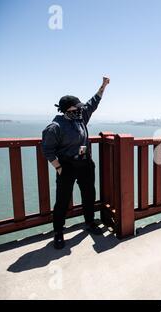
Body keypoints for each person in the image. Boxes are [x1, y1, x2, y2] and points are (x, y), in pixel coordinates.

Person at [42, 77, 110, 249]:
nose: (79, 111)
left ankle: (89, 222)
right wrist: (58, 167)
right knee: (62, 200)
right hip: (67, 166)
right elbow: (48, 150)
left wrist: (103, 86)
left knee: (89, 194)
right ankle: (58, 232)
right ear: (65, 110)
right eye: (75, 109)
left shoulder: (80, 117)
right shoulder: (55, 127)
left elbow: (93, 102)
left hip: (85, 163)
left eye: (79, 108)